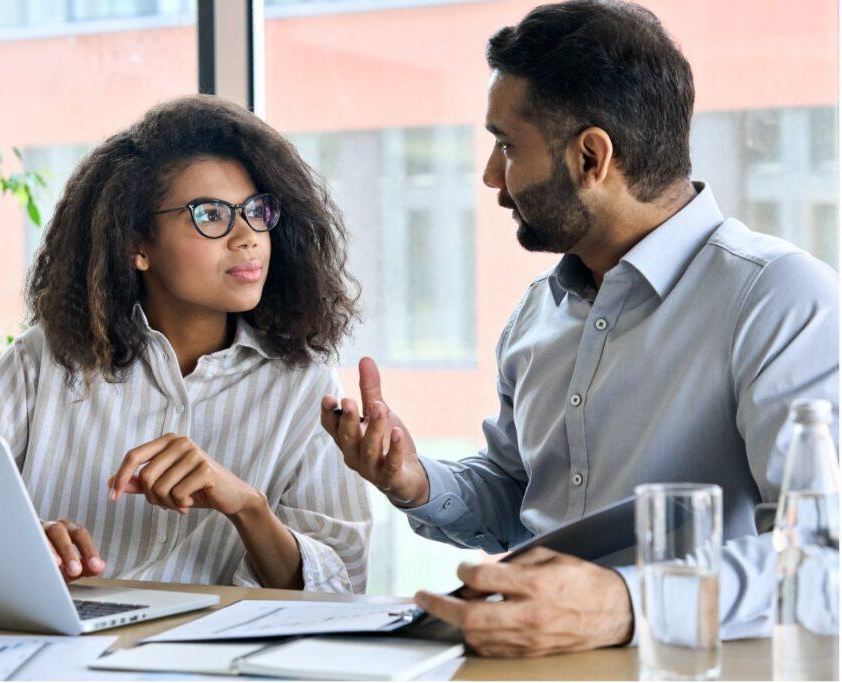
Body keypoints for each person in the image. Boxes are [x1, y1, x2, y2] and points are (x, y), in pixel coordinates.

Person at [321, 0, 839, 656]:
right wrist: (414, 480)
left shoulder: (780, 299)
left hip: (675, 664)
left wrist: (624, 602)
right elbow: (516, 495)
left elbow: (826, 560)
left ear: (592, 156)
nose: (490, 176)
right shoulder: (540, 311)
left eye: (508, 146)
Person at [0, 95, 371, 593]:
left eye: (257, 211)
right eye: (211, 214)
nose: (248, 236)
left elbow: (343, 587)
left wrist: (248, 507)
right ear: (137, 246)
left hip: (211, 664)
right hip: (60, 650)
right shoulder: (46, 359)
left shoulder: (304, 384)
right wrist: (20, 539)